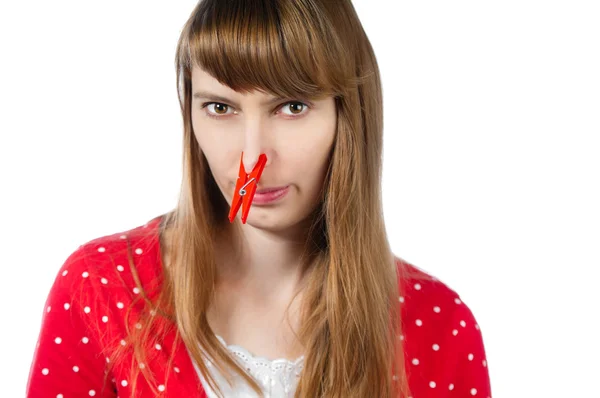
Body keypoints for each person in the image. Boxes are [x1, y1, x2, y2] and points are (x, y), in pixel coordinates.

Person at [26, 0, 492, 397]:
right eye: (221, 108)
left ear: (347, 116)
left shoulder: (441, 326)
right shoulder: (100, 287)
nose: (253, 158)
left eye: (291, 106)